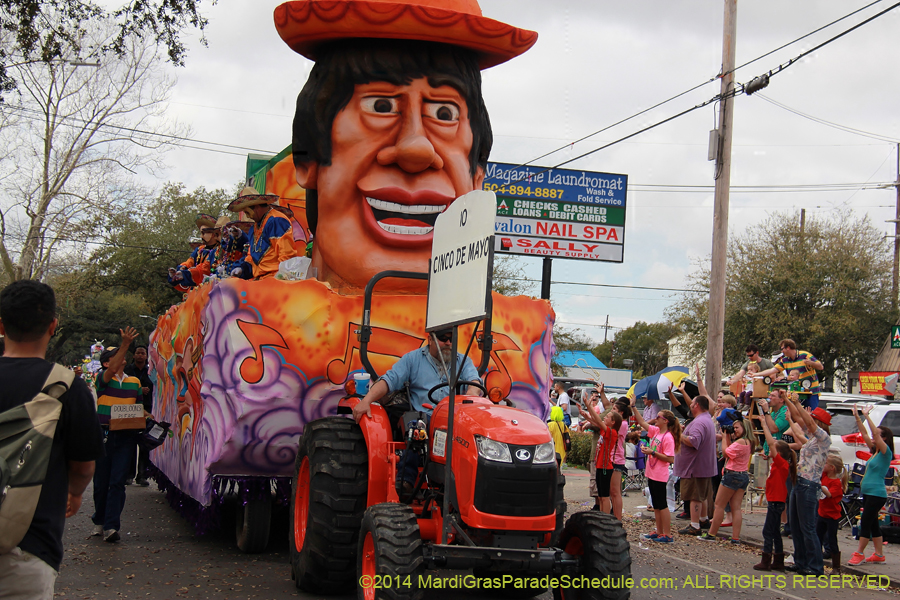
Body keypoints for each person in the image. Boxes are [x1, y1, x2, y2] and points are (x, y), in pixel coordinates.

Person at [280, 0, 536, 293]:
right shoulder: (244, 328)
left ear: (478, 172)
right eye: (381, 106)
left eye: (444, 114)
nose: (416, 150)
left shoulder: (511, 336)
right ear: (308, 157)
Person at [0, 281, 104, 597]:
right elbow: (84, 466)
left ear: (0, 326)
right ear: (53, 326)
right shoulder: (68, 388)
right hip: (29, 546)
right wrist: (74, 494)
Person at [352, 328, 481, 489]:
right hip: (425, 417)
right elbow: (389, 381)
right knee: (416, 427)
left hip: (453, 418)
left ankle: (470, 486)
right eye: (443, 338)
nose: (448, 343)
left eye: (452, 339)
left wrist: (471, 393)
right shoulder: (412, 360)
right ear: (431, 340)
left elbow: (474, 383)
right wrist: (367, 400)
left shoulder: (463, 362)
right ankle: (406, 480)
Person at [92, 327, 144, 543]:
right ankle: (100, 519)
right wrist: (125, 344)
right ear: (107, 363)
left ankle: (112, 526)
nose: (121, 358)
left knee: (117, 482)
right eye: (115, 356)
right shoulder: (102, 379)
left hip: (126, 437)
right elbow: (113, 369)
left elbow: (138, 407)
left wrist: (145, 416)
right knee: (101, 483)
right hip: (104, 435)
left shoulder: (135, 382)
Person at [784, 396, 832, 575]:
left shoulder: (824, 438)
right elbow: (799, 426)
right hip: (800, 482)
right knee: (796, 525)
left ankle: (815, 566)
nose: (808, 422)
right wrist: (789, 412)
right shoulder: (812, 440)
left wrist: (797, 403)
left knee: (807, 526)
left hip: (809, 484)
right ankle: (801, 560)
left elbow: (808, 423)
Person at [847, 403, 895, 566]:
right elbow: (865, 433)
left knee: (865, 523)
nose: (874, 438)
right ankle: (879, 554)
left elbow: (874, 432)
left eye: (878, 436)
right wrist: (857, 417)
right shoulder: (874, 452)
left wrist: (867, 415)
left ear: (885, 438)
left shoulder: (885, 453)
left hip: (877, 493)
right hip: (869, 493)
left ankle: (859, 553)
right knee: (873, 524)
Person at [700, 412, 756, 544]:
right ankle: (735, 537)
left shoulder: (741, 441)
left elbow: (725, 452)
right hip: (742, 475)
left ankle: (711, 534)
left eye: (737, 428)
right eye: (734, 427)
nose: (734, 430)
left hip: (732, 474)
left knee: (719, 504)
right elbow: (731, 450)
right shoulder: (749, 442)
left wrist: (725, 437)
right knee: (736, 508)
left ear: (744, 428)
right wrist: (729, 437)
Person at [753, 413, 795, 572]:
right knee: (775, 530)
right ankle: (778, 558)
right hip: (775, 499)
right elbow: (771, 446)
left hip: (776, 500)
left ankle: (766, 559)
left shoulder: (782, 463)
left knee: (768, 530)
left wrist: (764, 425)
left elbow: (771, 443)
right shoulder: (778, 464)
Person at [633, 408, 681, 544]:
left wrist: (652, 453)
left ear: (665, 421)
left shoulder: (668, 437)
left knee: (662, 504)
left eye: (658, 417)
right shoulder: (656, 432)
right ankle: (659, 531)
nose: (656, 419)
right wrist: (633, 408)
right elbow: (642, 422)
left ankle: (667, 533)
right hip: (652, 471)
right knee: (655, 503)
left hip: (660, 473)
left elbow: (670, 458)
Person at [230, 187, 298, 280]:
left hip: (274, 279)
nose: (247, 216)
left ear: (256, 206)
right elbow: (251, 257)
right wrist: (242, 269)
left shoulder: (276, 221)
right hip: (259, 280)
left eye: (247, 212)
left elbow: (286, 255)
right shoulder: (254, 228)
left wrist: (281, 279)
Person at [675, 395, 717, 536]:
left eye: (692, 402)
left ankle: (694, 525)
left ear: (697, 405)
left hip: (695, 466)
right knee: (701, 495)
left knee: (694, 497)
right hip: (703, 465)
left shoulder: (699, 422)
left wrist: (679, 434)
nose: (690, 405)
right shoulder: (707, 419)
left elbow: (694, 441)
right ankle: (703, 519)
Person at [756, 339, 824, 409]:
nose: (782, 351)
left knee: (810, 414)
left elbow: (821, 367)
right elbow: (773, 370)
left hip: (811, 392)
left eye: (782, 349)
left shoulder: (804, 355)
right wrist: (756, 374)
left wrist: (811, 363)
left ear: (788, 348)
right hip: (795, 393)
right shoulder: (785, 360)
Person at [124, 345, 153, 487]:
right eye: (138, 353)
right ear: (134, 355)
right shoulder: (127, 371)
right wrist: (137, 389)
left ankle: (142, 476)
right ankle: (129, 475)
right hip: (130, 409)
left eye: (143, 353)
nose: (140, 355)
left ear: (146, 356)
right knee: (130, 443)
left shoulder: (151, 372)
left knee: (144, 444)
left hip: (147, 409)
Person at [168, 214, 218, 290]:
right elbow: (189, 263)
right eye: (201, 233)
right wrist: (178, 271)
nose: (201, 237)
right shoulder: (199, 250)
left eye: (203, 233)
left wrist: (186, 274)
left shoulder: (219, 250)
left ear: (213, 234)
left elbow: (205, 269)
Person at [817, 454, 848, 572]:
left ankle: (836, 567)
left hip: (832, 516)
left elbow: (829, 494)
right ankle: (817, 561)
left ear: (832, 468)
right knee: (818, 537)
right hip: (822, 513)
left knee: (832, 540)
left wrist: (820, 486)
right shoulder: (824, 475)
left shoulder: (836, 483)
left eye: (826, 464)